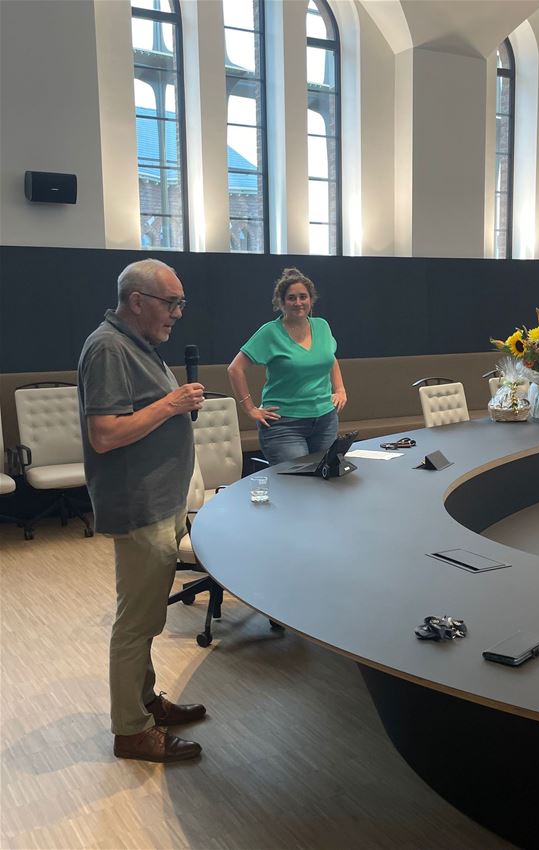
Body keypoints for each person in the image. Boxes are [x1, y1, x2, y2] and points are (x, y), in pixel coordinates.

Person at [78, 258, 207, 763]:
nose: (178, 313)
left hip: (161, 501)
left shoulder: (139, 345)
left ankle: (146, 701)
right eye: (171, 303)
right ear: (137, 301)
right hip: (139, 505)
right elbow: (105, 434)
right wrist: (171, 404)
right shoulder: (108, 348)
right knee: (137, 623)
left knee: (148, 616)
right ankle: (130, 731)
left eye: (180, 303)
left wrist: (172, 405)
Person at [227, 267, 347, 465]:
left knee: (327, 478)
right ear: (281, 302)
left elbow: (330, 358)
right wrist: (250, 409)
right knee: (297, 481)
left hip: (325, 420)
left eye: (303, 297)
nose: (298, 302)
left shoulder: (322, 326)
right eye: (291, 298)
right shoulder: (270, 332)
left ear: (311, 300)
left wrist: (340, 389)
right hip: (284, 425)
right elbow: (235, 369)